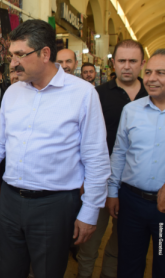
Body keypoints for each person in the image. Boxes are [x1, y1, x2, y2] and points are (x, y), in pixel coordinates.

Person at [0, 19, 110, 278]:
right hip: (11, 202)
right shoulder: (14, 93)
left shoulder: (83, 94)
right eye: (11, 55)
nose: (13, 63)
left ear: (45, 54)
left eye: (20, 55)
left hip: (55, 205)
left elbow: (96, 157)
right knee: (9, 271)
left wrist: (90, 211)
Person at [77, 39, 148, 278]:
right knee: (89, 242)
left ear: (142, 64)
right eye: (121, 61)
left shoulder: (153, 94)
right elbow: (83, 140)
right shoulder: (97, 94)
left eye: (132, 61)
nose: (127, 66)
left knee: (120, 245)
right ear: (113, 63)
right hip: (99, 181)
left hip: (135, 186)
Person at [107, 48, 165, 278]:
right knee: (129, 264)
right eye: (149, 71)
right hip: (131, 203)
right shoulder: (131, 111)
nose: (151, 78)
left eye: (160, 72)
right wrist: (112, 191)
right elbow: (120, 152)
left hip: (163, 209)